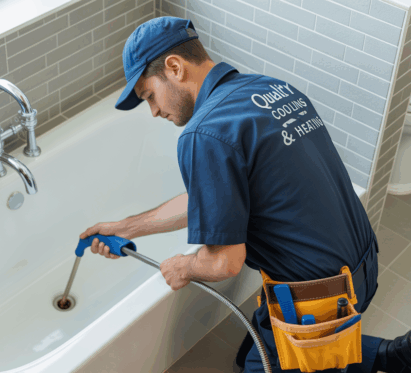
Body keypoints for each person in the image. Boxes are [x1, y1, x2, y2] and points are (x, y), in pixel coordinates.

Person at [79, 16, 411, 373]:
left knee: (259, 365)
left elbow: (224, 263)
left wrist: (184, 266)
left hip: (322, 299)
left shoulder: (204, 133)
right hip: (363, 263)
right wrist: (127, 228)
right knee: (252, 347)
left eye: (150, 95)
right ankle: (391, 355)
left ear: (174, 67)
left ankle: (372, 358)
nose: (155, 110)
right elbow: (212, 199)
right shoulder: (269, 89)